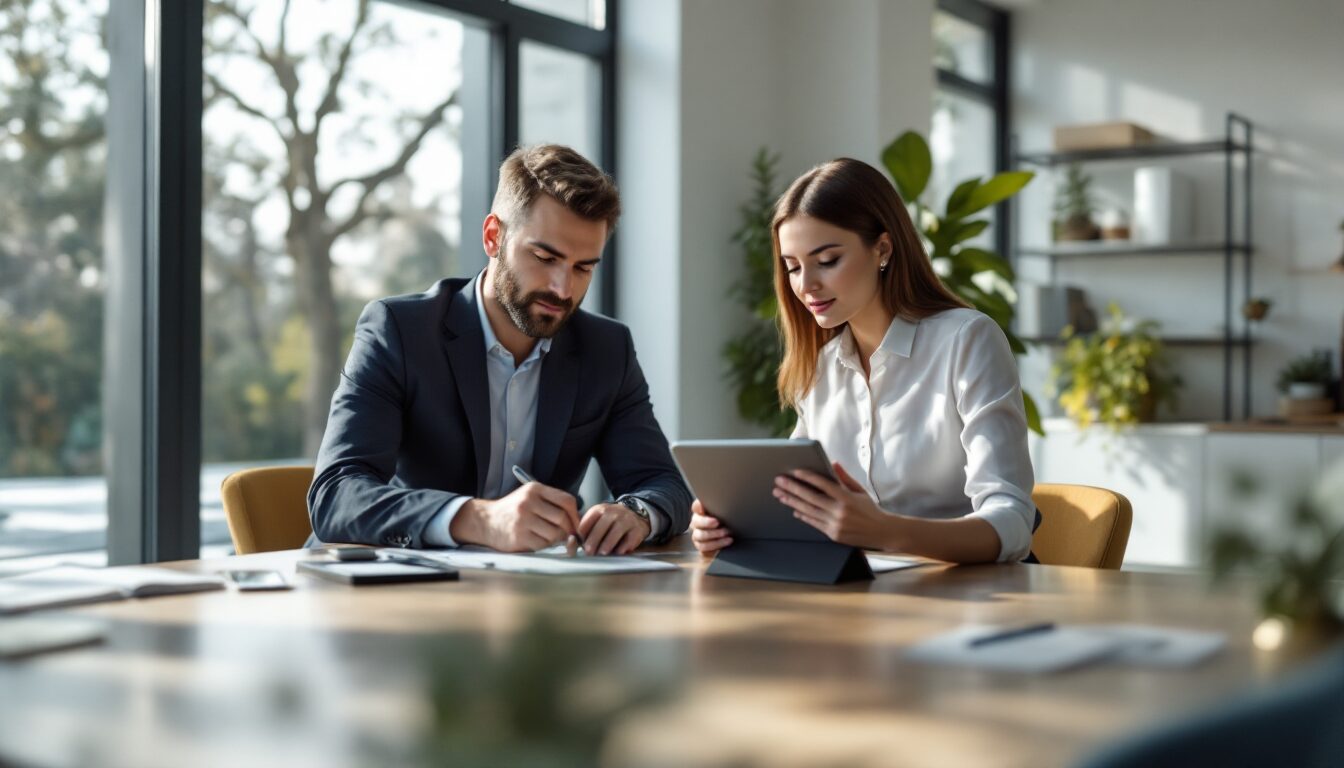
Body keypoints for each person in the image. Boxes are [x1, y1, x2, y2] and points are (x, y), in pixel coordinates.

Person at [308, 144, 690, 555]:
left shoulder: (606, 350)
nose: (563, 289)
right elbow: (337, 494)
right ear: (493, 236)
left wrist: (636, 512)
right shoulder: (399, 331)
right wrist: (479, 519)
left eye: (584, 268)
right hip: (394, 589)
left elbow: (663, 484)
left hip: (528, 597)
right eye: (545, 257)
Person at [691, 158, 1036, 564]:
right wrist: (733, 525)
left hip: (969, 595)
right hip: (868, 593)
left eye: (827, 260)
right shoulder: (821, 367)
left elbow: (1013, 525)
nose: (806, 285)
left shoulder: (967, 340)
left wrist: (885, 531)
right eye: (793, 267)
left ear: (883, 249)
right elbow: (794, 504)